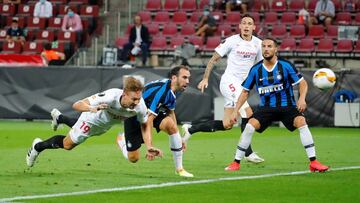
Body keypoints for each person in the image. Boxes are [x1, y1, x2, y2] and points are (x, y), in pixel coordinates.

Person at [224, 38, 329, 172]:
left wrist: (302, 99)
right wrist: (235, 111)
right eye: (263, 46)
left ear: (275, 49)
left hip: (287, 107)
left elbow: (302, 83)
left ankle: (313, 162)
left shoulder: (285, 65)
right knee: (250, 126)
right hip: (266, 108)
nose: (266, 49)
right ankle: (236, 163)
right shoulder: (256, 69)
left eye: (269, 46)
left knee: (301, 121)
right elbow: (245, 92)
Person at [26, 77, 162, 167]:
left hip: (103, 127)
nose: (137, 102)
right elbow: (77, 105)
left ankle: (59, 118)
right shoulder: (110, 97)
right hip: (90, 120)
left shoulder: (140, 106)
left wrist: (149, 145)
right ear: (125, 93)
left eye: (139, 98)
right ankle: (37, 146)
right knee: (68, 145)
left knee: (77, 130)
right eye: (134, 99)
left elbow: (145, 125)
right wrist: (91, 108)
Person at [182, 14, 264, 163]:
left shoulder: (258, 44)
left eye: (249, 23)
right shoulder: (232, 41)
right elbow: (213, 59)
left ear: (254, 27)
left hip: (243, 86)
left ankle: (190, 129)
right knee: (247, 112)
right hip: (229, 82)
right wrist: (206, 77)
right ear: (239, 26)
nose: (246, 26)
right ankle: (247, 152)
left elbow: (261, 66)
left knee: (227, 125)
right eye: (243, 23)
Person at [116, 66, 194, 177]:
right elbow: (148, 121)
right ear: (174, 78)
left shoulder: (173, 91)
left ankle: (179, 169)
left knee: (171, 125)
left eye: (188, 78)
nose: (188, 81)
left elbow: (170, 112)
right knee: (133, 158)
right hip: (134, 116)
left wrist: (179, 138)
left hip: (149, 113)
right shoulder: (161, 91)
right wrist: (150, 147)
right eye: (185, 77)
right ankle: (122, 141)